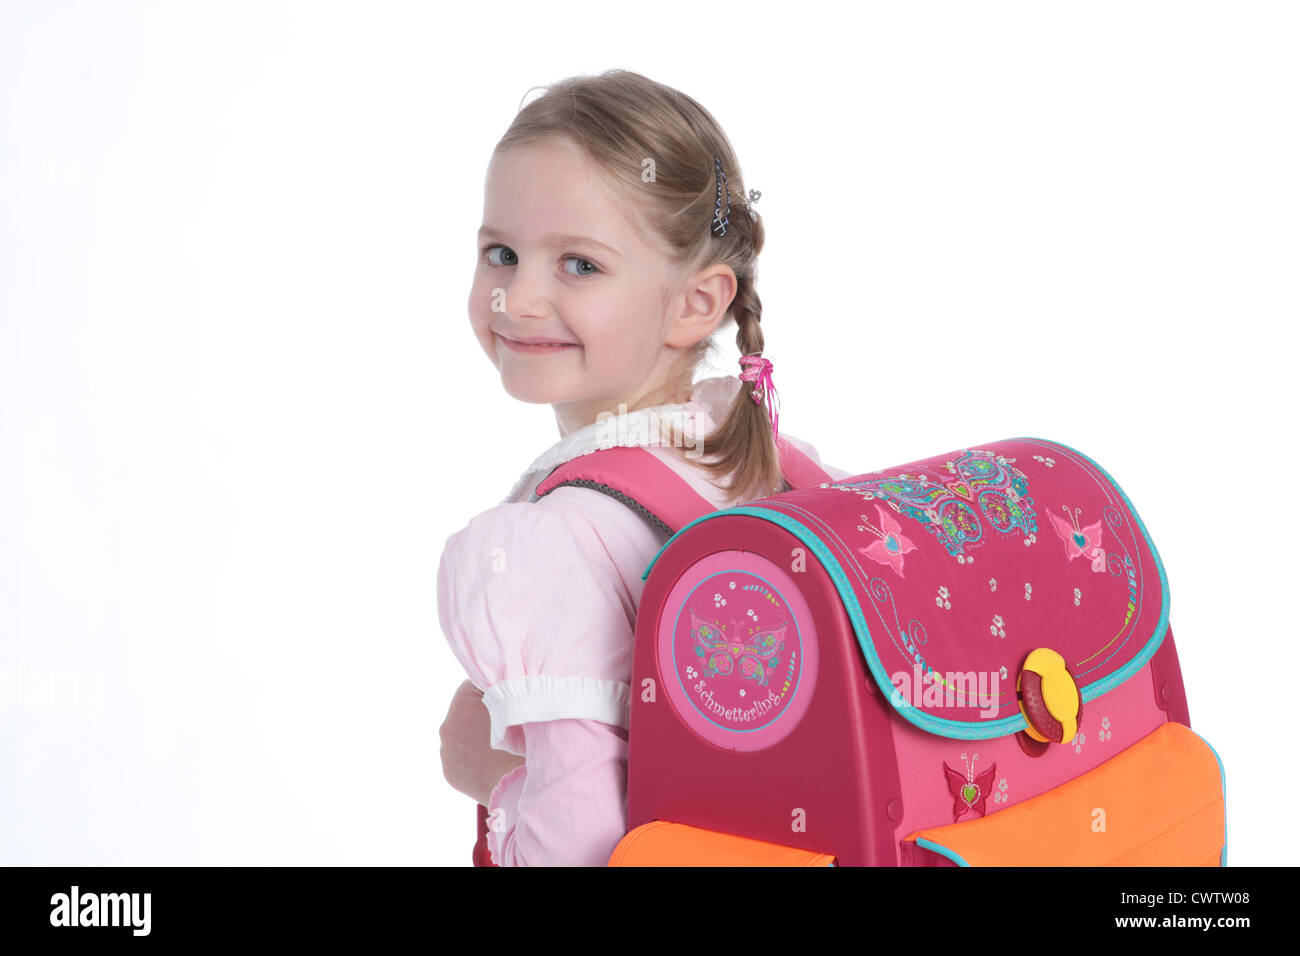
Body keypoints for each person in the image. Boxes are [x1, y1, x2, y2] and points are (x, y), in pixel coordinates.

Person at [436, 69, 852, 866]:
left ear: (697, 303)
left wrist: (487, 767)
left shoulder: (553, 543)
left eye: (579, 266)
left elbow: (580, 853)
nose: (516, 299)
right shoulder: (767, 455)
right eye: (502, 252)